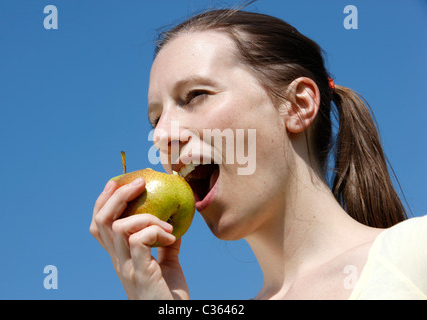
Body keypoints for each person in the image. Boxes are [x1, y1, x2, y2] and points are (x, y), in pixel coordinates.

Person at [89, 9, 426, 299]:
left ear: (297, 106)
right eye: (155, 119)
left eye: (194, 95)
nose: (160, 136)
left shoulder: (415, 253)